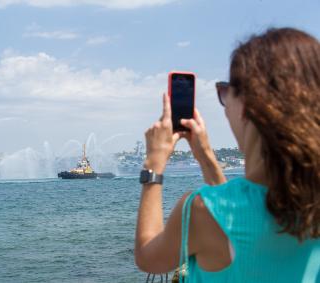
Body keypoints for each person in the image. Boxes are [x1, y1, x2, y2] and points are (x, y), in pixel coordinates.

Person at [134, 27, 319, 282]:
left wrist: (154, 163)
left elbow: (148, 257)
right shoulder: (311, 205)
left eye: (225, 91)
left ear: (249, 105)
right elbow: (236, 219)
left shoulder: (201, 209)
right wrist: (206, 156)